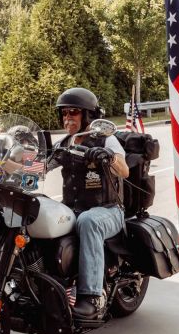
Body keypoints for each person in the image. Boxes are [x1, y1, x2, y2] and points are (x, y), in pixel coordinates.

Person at [50, 88, 129, 319]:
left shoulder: (106, 139)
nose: (67, 118)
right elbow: (41, 167)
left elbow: (124, 170)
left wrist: (107, 156)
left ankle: (92, 296)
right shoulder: (64, 143)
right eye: (64, 114)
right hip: (73, 209)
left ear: (87, 115)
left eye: (73, 113)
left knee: (88, 221)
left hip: (108, 211)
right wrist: (5, 164)